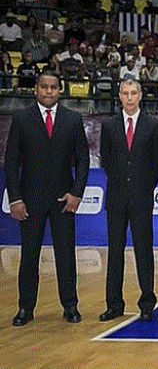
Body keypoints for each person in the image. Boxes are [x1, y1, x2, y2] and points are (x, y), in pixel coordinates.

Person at [6, 70, 89, 326]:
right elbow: (10, 162)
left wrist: (76, 193)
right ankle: (25, 307)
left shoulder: (73, 119)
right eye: (44, 87)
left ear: (60, 90)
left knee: (66, 255)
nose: (49, 91)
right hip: (30, 200)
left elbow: (84, 160)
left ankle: (70, 305)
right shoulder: (21, 119)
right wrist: (15, 199)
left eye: (54, 87)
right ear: (36, 90)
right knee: (29, 256)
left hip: (63, 199)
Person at [99, 79, 158, 322]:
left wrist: (145, 187)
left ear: (140, 96)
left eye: (133, 93)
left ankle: (147, 302)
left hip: (141, 197)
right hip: (116, 198)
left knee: (143, 249)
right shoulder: (108, 125)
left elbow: (157, 162)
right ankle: (114, 304)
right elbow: (105, 160)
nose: (129, 97)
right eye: (125, 93)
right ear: (119, 95)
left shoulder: (152, 125)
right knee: (114, 250)